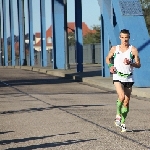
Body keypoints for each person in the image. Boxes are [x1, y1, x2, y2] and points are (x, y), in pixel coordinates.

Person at [106, 29, 141, 132]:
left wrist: (131, 63)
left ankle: (123, 122)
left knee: (126, 101)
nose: (125, 40)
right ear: (120, 37)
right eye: (123, 37)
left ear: (129, 37)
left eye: (127, 37)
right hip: (117, 76)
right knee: (121, 96)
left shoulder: (133, 49)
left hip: (129, 77)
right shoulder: (114, 49)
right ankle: (118, 115)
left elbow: (138, 64)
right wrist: (111, 66)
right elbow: (107, 58)